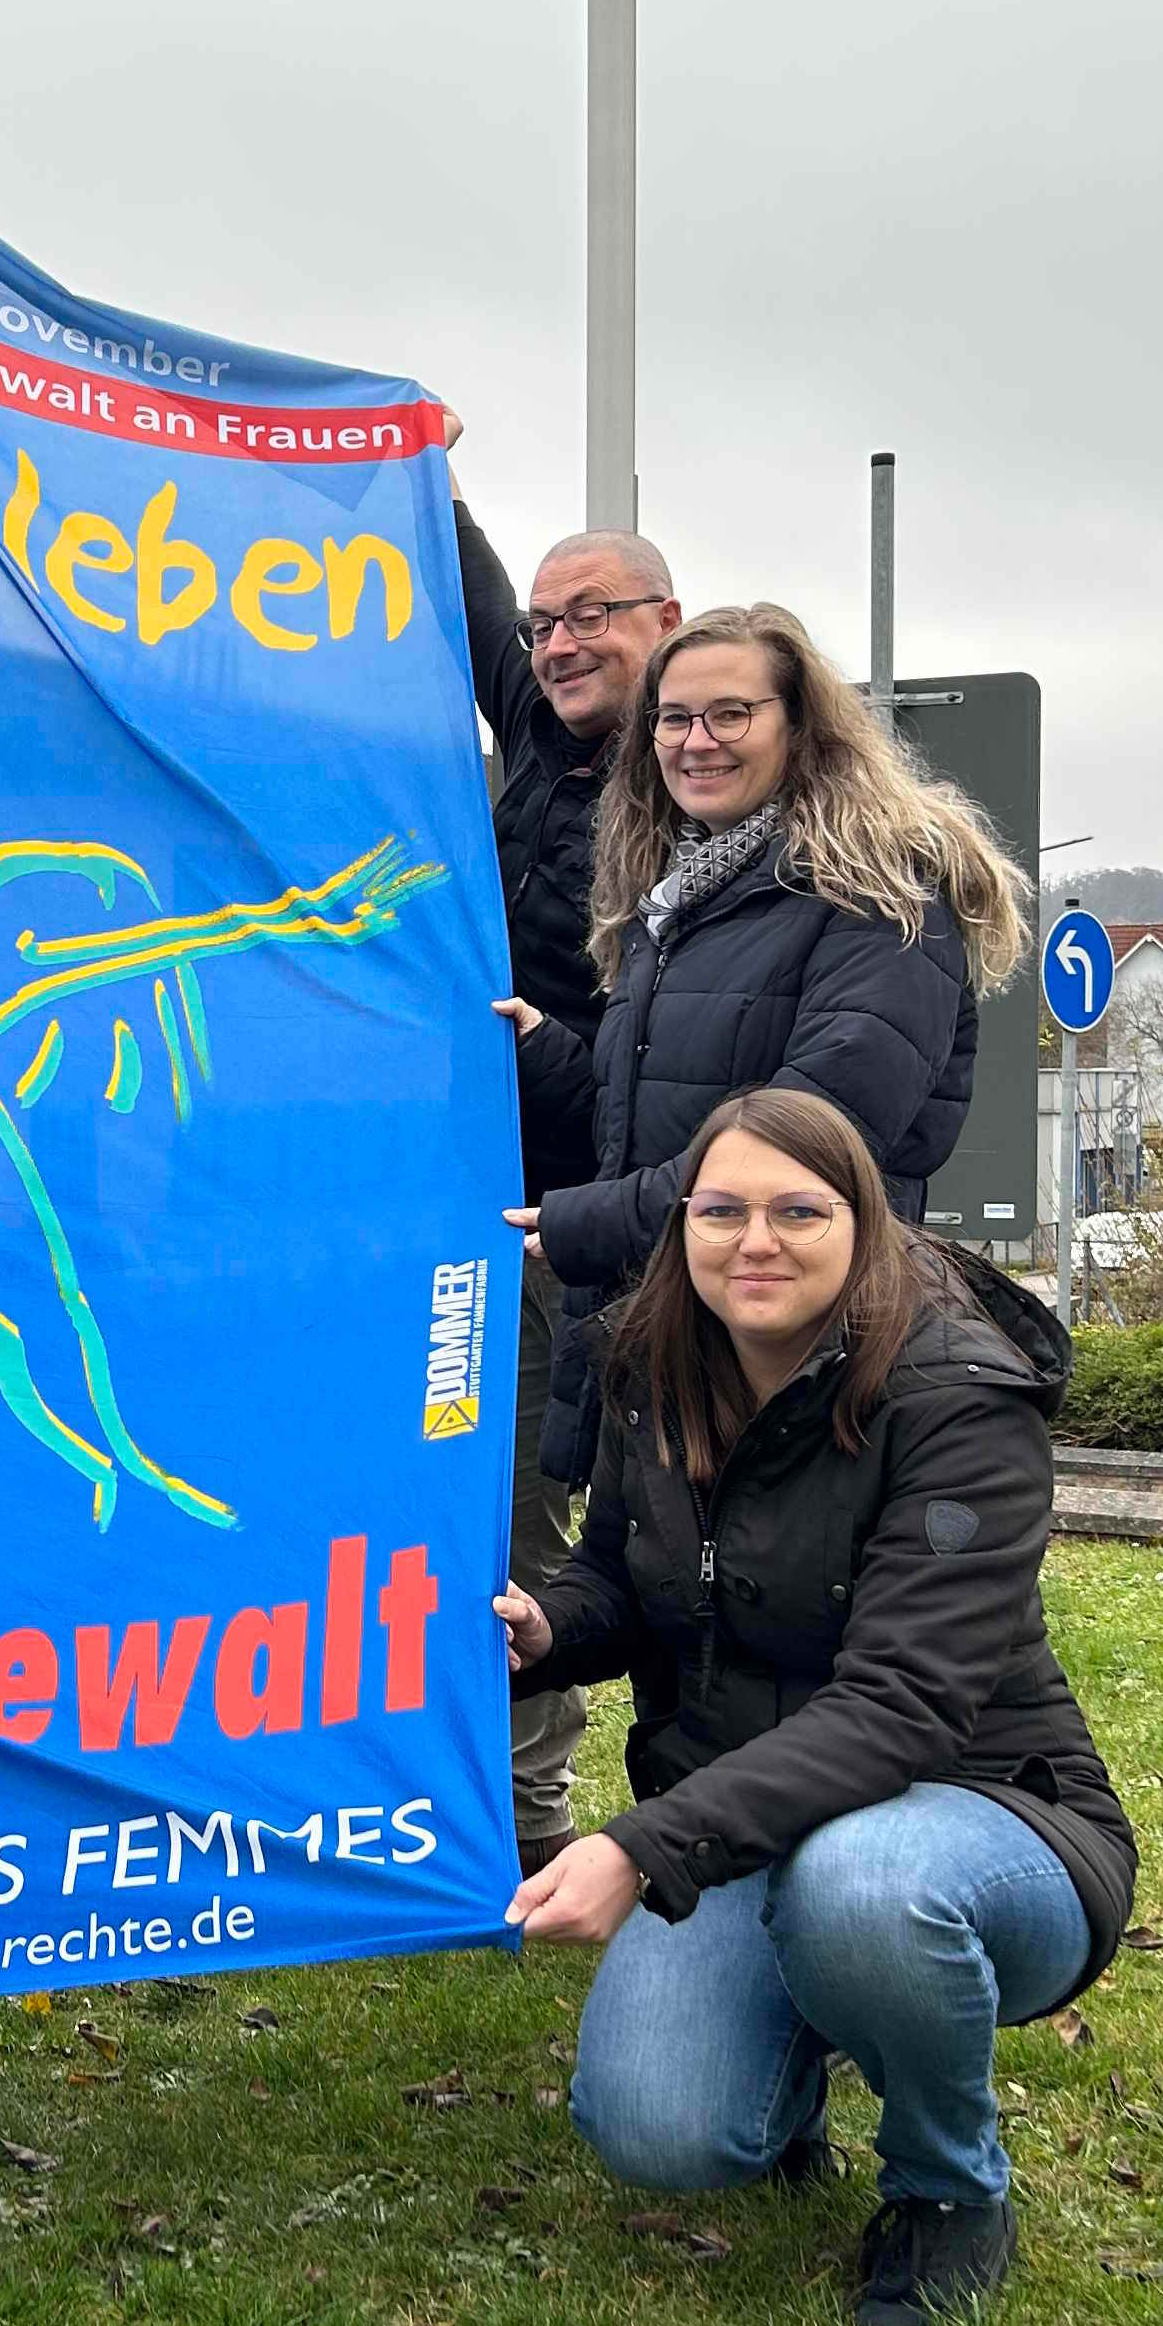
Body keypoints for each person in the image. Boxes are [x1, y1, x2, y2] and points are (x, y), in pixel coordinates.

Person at [495, 1088, 1134, 2326]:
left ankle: (947, 2183)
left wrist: (638, 1846)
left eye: (800, 1210)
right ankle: (792, 2065)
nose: (755, 1240)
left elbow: (902, 1705)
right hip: (748, 1823)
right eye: (720, 1209)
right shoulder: (652, 1363)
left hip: (981, 1815)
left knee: (862, 1888)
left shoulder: (958, 1399)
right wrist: (547, 1630)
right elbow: (626, 1579)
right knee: (656, 2127)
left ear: (865, 1223)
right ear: (681, 1223)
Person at [505, 602, 1029, 1493]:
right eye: (672, 717)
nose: (695, 741)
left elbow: (811, 1139)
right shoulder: (685, 898)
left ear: (803, 727)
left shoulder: (876, 892)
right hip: (677, 1333)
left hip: (796, 1346)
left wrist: (589, 1223)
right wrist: (539, 1049)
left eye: (729, 715)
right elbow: (668, 1107)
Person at [453, 488, 682, 1874]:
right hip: (488, 1191)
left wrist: (552, 1055)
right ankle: (509, 1809)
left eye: (589, 613)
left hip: (615, 1211)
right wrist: (421, 463)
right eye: (545, 622)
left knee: (599, 1511)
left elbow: (684, 1048)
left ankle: (556, 1817)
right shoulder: (537, 725)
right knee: (504, 1501)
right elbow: (474, 606)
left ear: (665, 618)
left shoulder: (695, 786)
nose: (555, 641)